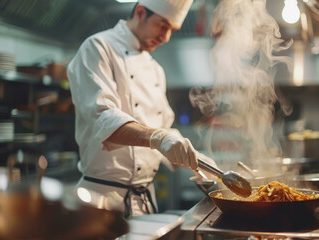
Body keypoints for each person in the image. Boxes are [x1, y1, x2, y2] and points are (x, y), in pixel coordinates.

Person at [67, 0, 216, 218]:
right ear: (140, 12)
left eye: (172, 30)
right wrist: (159, 138)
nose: (165, 37)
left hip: (144, 203)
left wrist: (198, 161)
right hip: (100, 202)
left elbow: (164, 130)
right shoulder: (98, 47)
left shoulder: (155, 70)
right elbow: (104, 119)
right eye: (162, 25)